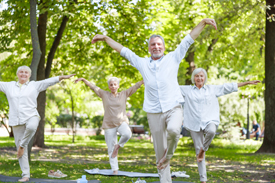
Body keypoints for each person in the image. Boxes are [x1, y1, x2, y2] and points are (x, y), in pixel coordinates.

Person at [91, 18, 217, 182]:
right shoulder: (142, 63)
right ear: (149, 48)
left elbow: (189, 39)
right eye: (153, 45)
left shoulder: (173, 57)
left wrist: (203, 23)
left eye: (159, 44)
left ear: (163, 47)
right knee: (159, 153)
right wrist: (105, 38)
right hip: (153, 112)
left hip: (173, 107)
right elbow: (123, 50)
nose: (156, 47)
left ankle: (169, 155)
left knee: (173, 131)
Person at [179, 68, 260, 183]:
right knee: (198, 151)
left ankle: (204, 149)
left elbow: (230, 87)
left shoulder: (212, 89)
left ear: (205, 78)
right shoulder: (187, 90)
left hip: (209, 120)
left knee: (211, 131)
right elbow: (170, 89)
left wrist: (247, 83)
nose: (199, 78)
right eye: (197, 76)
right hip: (194, 123)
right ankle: (203, 180)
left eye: (201, 76)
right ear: (193, 78)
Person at [0, 65, 74, 182]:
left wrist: (62, 77)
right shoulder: (9, 86)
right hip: (16, 119)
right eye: (21, 72)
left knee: (31, 127)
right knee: (21, 151)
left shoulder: (34, 85)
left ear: (29, 75)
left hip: (31, 116)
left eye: (26, 72)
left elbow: (48, 81)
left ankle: (22, 146)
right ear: (17, 74)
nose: (23, 74)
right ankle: (25, 175)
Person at [75, 77, 143, 174]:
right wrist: (83, 80)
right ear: (109, 87)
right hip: (109, 124)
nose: (113, 86)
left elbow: (134, 87)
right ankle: (115, 169)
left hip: (121, 122)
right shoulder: (104, 94)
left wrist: (142, 81)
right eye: (111, 85)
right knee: (110, 147)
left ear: (118, 86)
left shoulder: (124, 94)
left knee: (127, 134)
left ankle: (118, 146)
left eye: (115, 84)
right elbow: (93, 87)